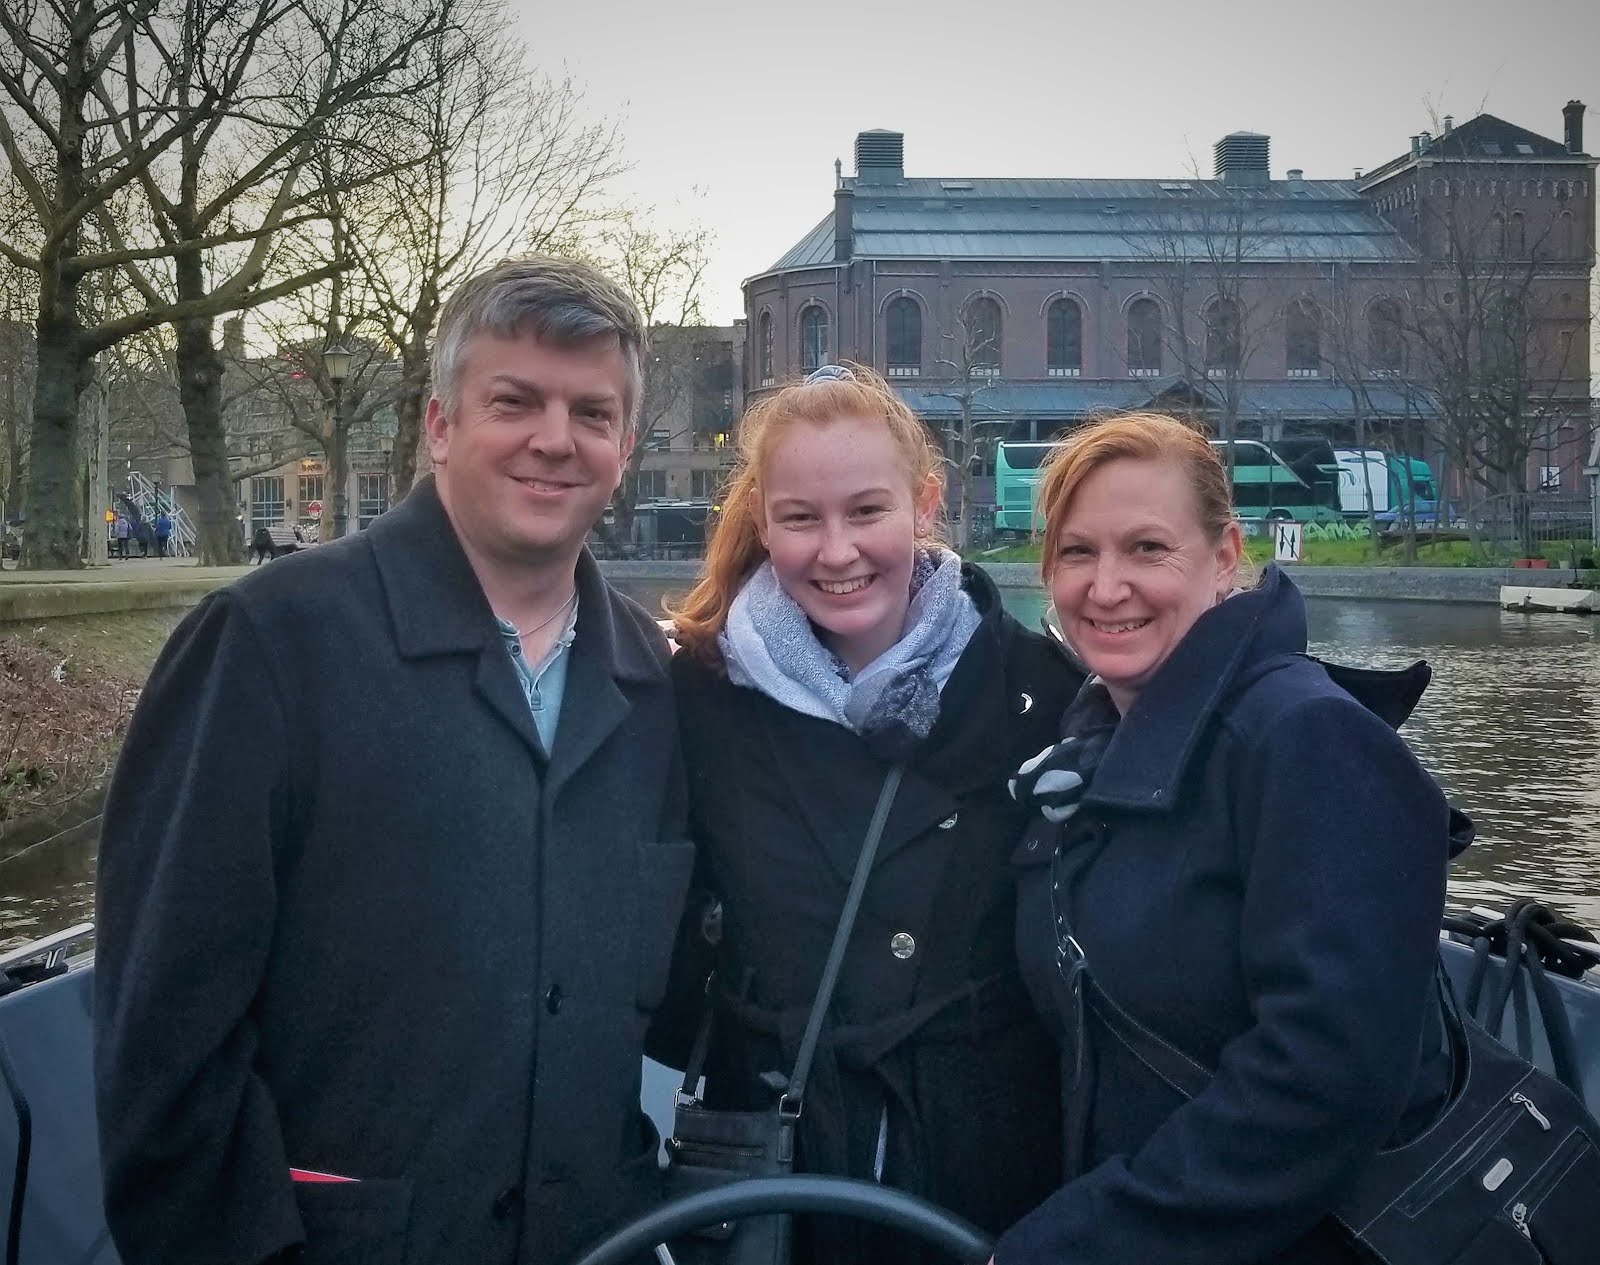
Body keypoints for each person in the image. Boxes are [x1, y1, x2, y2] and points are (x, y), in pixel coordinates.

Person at [95, 256, 693, 1265]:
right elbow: (164, 1040)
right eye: (515, 400)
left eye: (592, 413)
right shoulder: (270, 643)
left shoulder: (654, 685)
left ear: (625, 446)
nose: (555, 438)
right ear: (439, 424)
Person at [995, 413, 1470, 1265]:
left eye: (1148, 549)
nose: (1107, 587)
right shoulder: (1082, 759)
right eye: (1077, 552)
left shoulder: (1309, 740)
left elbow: (1328, 1078)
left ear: (1225, 558)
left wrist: (1078, 1243)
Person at [654, 365, 1083, 1264]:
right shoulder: (698, 697)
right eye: (801, 518)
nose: (836, 551)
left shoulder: (1044, 695)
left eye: (867, 511)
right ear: (763, 522)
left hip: (983, 1177)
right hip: (779, 1184)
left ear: (925, 505)